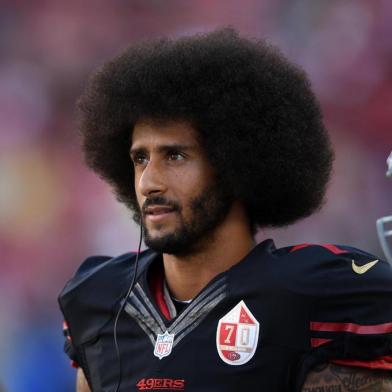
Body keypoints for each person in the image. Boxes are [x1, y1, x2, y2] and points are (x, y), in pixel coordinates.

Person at [58, 28, 392, 391]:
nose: (148, 182)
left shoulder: (310, 295)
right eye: (140, 158)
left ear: (236, 164)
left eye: (175, 156)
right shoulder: (98, 298)